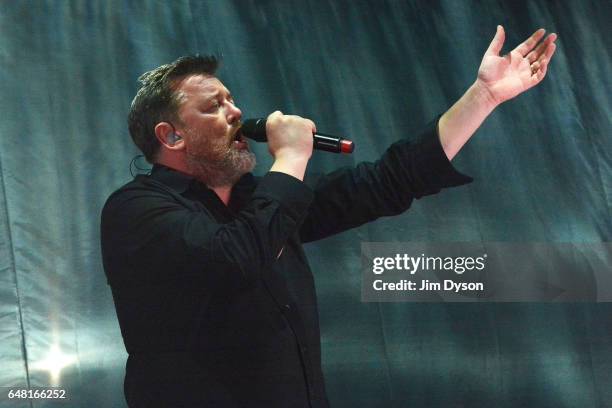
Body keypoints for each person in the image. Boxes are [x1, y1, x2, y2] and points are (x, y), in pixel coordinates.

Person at [101, 26, 557, 407]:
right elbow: (236, 256)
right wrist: (292, 157)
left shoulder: (257, 200)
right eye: (213, 106)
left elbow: (387, 181)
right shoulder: (137, 210)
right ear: (172, 135)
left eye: (231, 99)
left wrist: (484, 97)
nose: (236, 112)